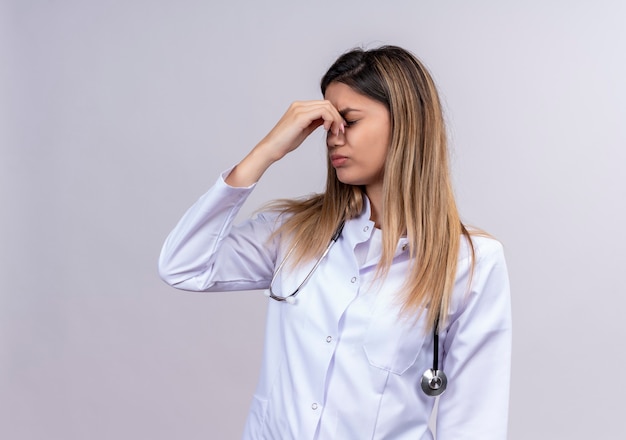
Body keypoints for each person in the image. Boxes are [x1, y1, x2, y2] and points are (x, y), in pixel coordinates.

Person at [158, 45, 511, 439]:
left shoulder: (470, 263)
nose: (333, 136)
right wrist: (266, 152)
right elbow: (183, 265)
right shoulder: (295, 232)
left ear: (407, 124)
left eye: (350, 120)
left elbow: (474, 424)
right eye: (328, 124)